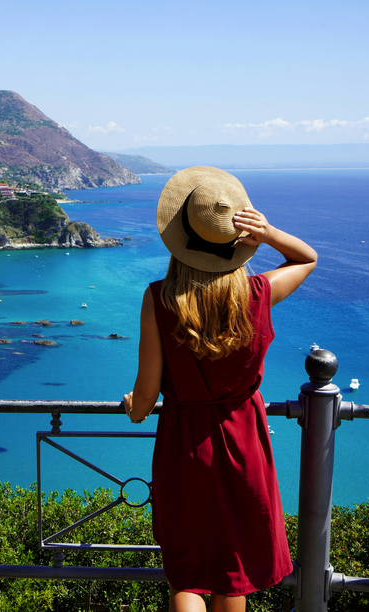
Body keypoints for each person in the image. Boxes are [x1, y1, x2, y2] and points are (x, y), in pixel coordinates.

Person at [121, 167, 317, 612]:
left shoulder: (158, 300)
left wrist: (134, 408)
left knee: (188, 576)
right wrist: (266, 234)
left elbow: (145, 397)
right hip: (244, 443)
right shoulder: (257, 293)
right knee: (233, 578)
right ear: (236, 239)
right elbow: (306, 259)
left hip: (184, 447)